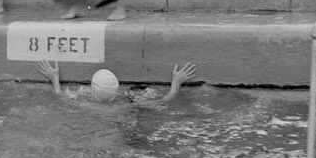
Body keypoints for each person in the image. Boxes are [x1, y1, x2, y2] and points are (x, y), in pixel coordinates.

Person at [37, 60, 197, 104]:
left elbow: (59, 96)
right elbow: (165, 100)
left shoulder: (87, 106)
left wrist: (54, 78)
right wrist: (176, 82)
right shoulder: (123, 107)